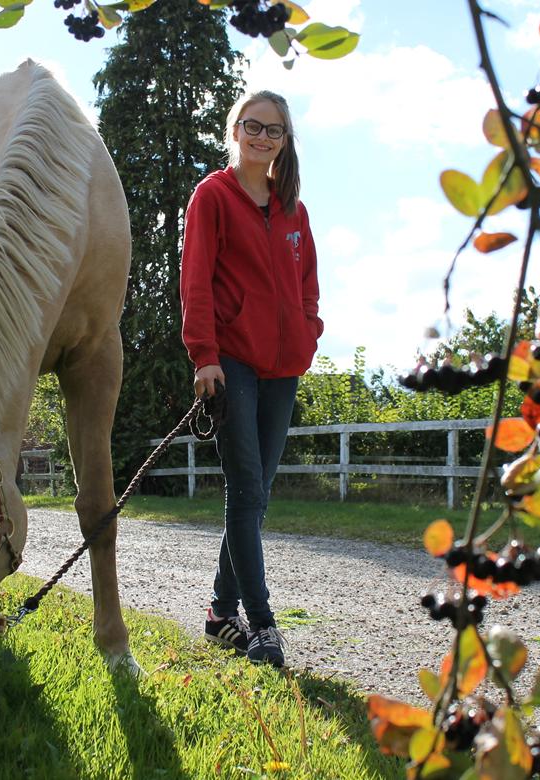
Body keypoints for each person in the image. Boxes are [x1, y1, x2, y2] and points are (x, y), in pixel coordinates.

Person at [179, 90, 323, 667]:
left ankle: (219, 610)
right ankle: (261, 624)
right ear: (234, 131)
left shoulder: (294, 210)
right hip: (231, 359)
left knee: (256, 496)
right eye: (253, 127)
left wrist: (309, 331)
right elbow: (195, 279)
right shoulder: (212, 196)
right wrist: (204, 355)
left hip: (284, 366)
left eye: (275, 131)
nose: (263, 138)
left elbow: (309, 282)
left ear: (285, 142)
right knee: (245, 490)